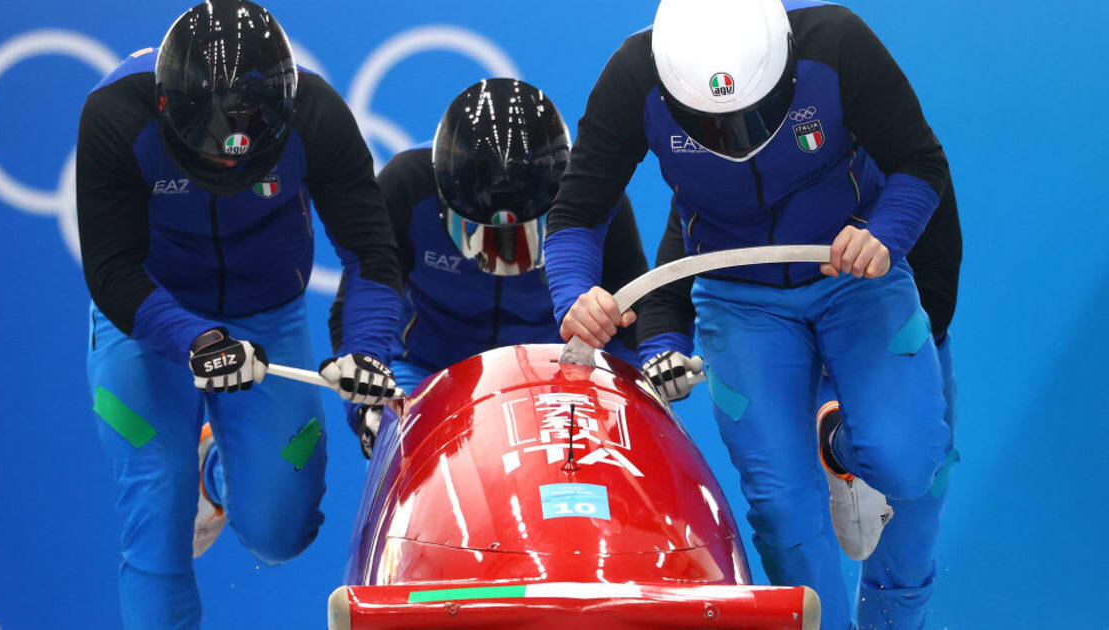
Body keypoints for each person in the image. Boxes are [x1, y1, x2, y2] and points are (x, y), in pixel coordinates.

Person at [540, 1, 953, 628]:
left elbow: (921, 164)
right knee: (784, 514)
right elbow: (576, 214)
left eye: (751, 117)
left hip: (853, 278)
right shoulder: (633, 75)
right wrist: (576, 294)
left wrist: (883, 235)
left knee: (908, 459)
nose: (733, 135)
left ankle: (842, 446)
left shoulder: (838, 44)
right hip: (740, 298)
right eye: (710, 125)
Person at [76, 1, 402, 627]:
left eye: (243, 157)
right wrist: (195, 339)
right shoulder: (115, 114)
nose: (227, 163)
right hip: (147, 319)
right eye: (210, 154)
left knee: (281, 533)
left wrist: (367, 350)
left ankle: (216, 478)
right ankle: (182, 477)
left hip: (266, 319)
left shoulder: (318, 116)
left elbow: (373, 254)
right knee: (157, 519)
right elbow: (113, 269)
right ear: (169, 110)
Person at [640, 177, 962, 628]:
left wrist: (875, 380)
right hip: (786, 364)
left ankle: (842, 446)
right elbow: (673, 280)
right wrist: (662, 347)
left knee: (912, 503)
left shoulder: (901, 156)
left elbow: (936, 292)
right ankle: (840, 445)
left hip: (888, 355)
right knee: (793, 524)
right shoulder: (716, 174)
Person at [329, 78, 647, 455]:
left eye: (522, 236)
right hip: (425, 373)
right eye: (485, 235)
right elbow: (357, 301)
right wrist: (368, 406)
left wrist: (629, 400)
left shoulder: (593, 191)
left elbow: (632, 317)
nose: (506, 254)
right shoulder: (407, 185)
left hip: (557, 374)